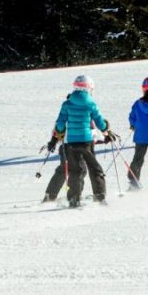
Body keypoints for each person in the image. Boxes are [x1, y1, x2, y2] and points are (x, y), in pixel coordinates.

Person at [52, 74, 113, 207]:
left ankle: (74, 199)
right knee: (94, 168)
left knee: (76, 170)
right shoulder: (91, 104)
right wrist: (106, 128)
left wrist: (59, 132)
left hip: (71, 142)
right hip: (86, 141)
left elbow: (60, 123)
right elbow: (99, 122)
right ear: (89, 88)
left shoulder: (67, 104)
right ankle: (100, 196)